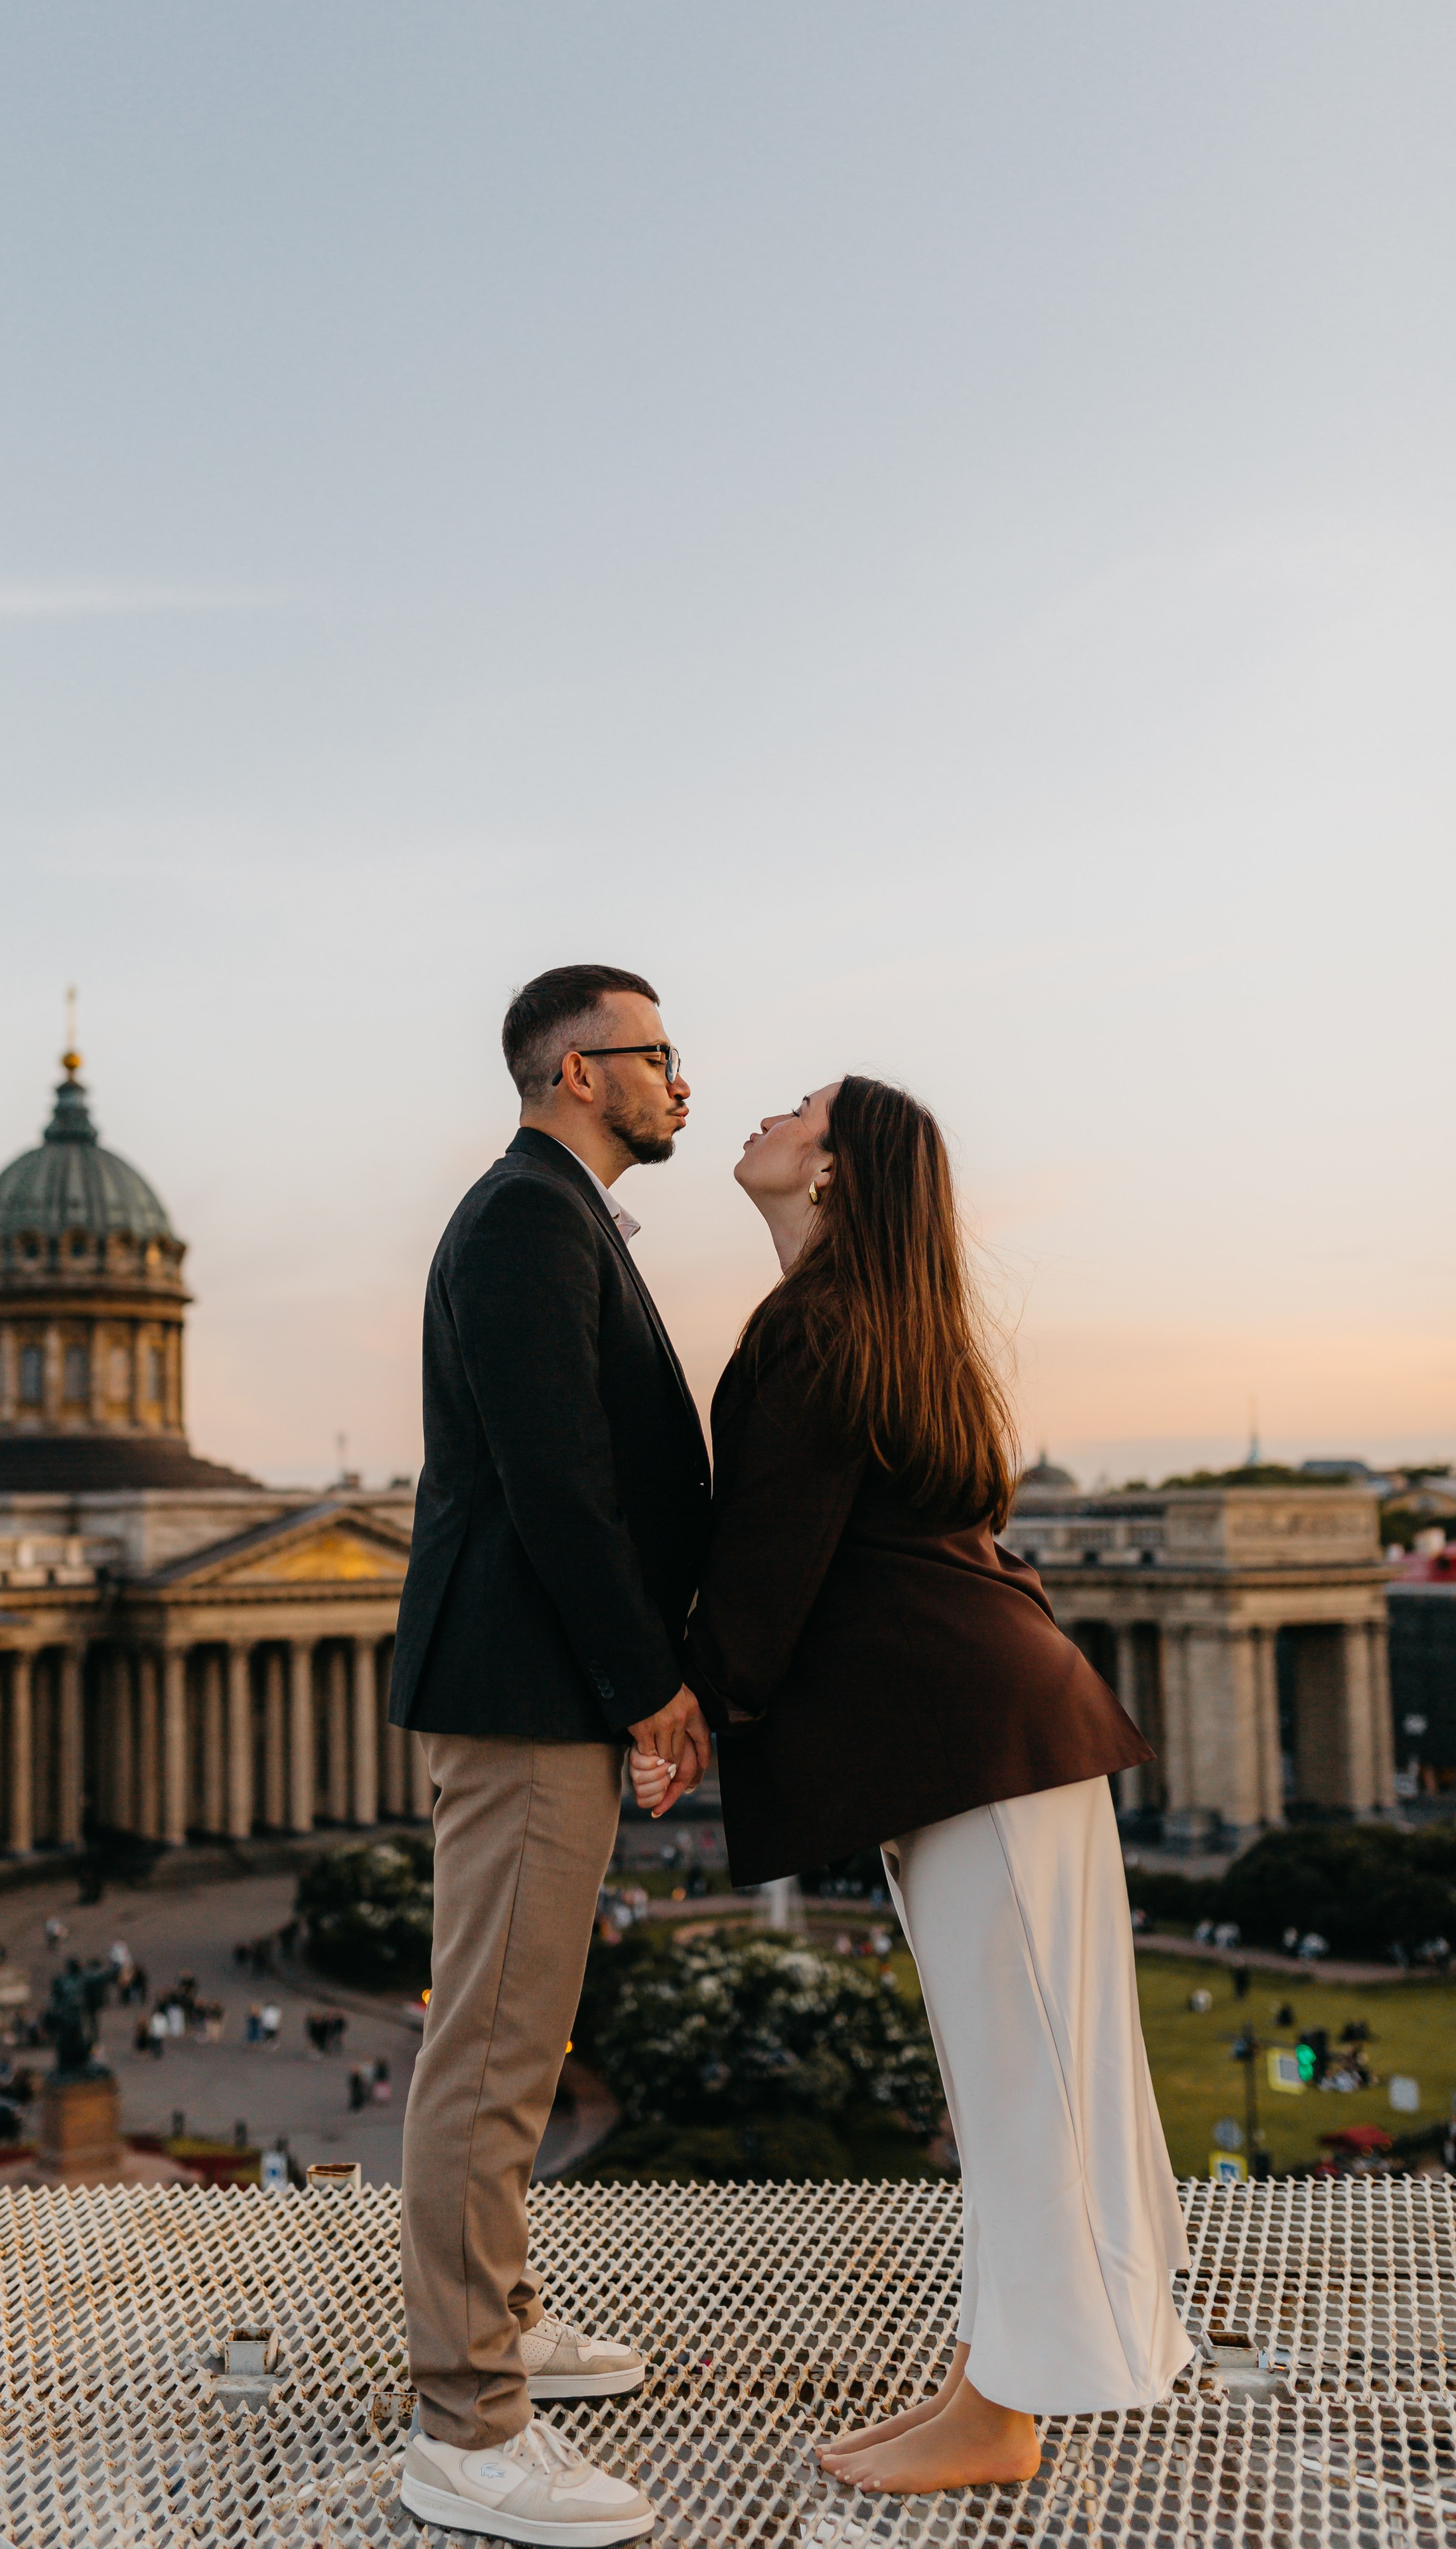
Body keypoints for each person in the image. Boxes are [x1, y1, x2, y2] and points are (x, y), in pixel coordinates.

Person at [632, 1076, 1191, 2498]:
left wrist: (689, 1705)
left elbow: (767, 1562)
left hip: (978, 1742)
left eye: (798, 1109)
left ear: (831, 1172)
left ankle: (1004, 2414)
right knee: (1015, 2078)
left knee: (1025, 2087)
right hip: (990, 1735)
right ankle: (984, 2385)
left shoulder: (819, 1330)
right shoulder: (869, 1321)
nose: (763, 1115)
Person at [392, 964, 712, 2548]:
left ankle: (500, 2322)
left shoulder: (552, 1211)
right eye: (656, 1053)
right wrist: (646, 1684)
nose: (680, 1080)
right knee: (492, 2052)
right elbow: (555, 1478)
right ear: (578, 1070)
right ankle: (465, 2426)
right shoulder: (527, 1215)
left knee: (513, 2034)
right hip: (528, 1686)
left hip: (532, 1683)